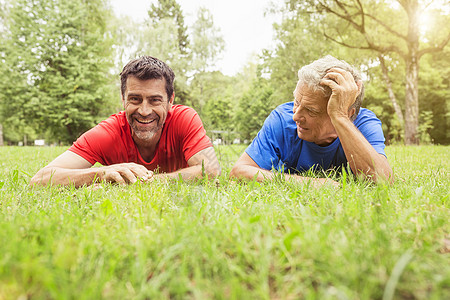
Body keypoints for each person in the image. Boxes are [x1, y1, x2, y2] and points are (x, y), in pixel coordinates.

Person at [30, 56, 220, 187]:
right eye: (135, 99)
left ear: (170, 101)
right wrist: (102, 173)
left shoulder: (184, 119)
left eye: (155, 100)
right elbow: (40, 179)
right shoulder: (108, 133)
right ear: (123, 98)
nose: (144, 111)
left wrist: (145, 182)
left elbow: (210, 170)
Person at [230, 55, 393, 185]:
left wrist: (340, 118)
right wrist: (312, 183)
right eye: (297, 102)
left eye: (311, 110)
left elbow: (383, 180)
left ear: (348, 112)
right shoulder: (282, 119)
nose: (296, 116)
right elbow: (239, 172)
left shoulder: (364, 122)